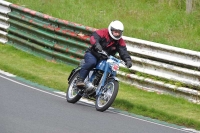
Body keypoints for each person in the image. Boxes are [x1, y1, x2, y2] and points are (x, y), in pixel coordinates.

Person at [77, 20, 132, 87]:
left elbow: (123, 51)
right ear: (111, 30)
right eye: (115, 32)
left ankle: (98, 86)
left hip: (106, 58)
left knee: (110, 69)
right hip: (93, 53)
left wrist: (128, 60)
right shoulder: (103, 32)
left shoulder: (120, 41)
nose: (117, 34)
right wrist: (96, 45)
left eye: (119, 32)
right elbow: (93, 37)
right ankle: (80, 80)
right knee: (91, 62)